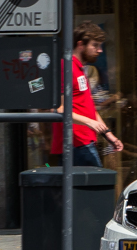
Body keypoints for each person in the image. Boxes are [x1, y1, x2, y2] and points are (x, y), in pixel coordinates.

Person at [52, 22, 124, 167]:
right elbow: (58, 109)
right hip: (74, 143)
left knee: (92, 185)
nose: (100, 50)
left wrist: (108, 134)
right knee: (96, 185)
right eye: (95, 45)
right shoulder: (66, 68)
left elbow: (88, 106)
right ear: (81, 45)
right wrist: (90, 122)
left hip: (84, 142)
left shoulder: (80, 69)